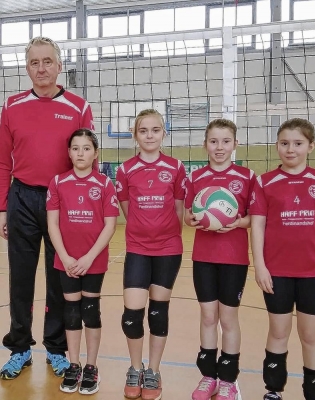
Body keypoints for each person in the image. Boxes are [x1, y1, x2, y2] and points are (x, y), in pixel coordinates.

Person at [0, 36, 94, 379]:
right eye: (34, 63)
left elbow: (88, 162)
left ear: (59, 65)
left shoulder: (78, 107)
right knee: (20, 279)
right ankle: (20, 348)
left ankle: (56, 349)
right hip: (21, 198)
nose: (41, 68)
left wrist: (88, 208)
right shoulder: (11, 106)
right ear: (27, 68)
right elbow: (1, 162)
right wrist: (2, 209)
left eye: (47, 61)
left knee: (60, 280)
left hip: (63, 201)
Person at [116, 109, 186, 400]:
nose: (149, 135)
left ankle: (153, 372)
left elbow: (179, 208)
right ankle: (135, 368)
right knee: (132, 316)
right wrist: (144, 230)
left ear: (163, 133)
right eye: (143, 130)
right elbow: (127, 209)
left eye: (155, 130)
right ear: (135, 135)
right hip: (138, 248)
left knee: (158, 313)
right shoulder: (125, 169)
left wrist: (165, 232)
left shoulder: (176, 166)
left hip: (168, 249)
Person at [184, 118, 256, 400]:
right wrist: (192, 219)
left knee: (228, 317)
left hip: (234, 258)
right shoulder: (196, 177)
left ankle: (228, 378)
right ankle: (208, 376)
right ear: (205, 145)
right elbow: (188, 215)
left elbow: (253, 218)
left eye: (226, 141)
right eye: (213, 141)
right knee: (207, 315)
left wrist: (238, 223)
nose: (219, 147)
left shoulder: (247, 177)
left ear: (235, 144)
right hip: (203, 256)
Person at [250, 118, 315, 400]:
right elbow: (257, 225)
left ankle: (313, 391)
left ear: (311, 146)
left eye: (298, 144)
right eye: (284, 143)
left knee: (311, 336)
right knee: (278, 332)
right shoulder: (265, 182)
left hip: (314, 272)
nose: (290, 149)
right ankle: (274, 390)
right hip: (276, 272)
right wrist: (260, 267)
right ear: (277, 146)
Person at [47, 129, 118, 394]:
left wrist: (88, 258)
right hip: (66, 260)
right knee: (72, 311)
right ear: (68, 152)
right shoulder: (58, 182)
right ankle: (73, 364)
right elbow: (52, 222)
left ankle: (91, 366)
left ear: (95, 153)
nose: (80, 153)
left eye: (86, 148)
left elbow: (110, 225)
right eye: (75, 148)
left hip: (93, 260)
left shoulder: (104, 184)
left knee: (90, 311)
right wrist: (65, 257)